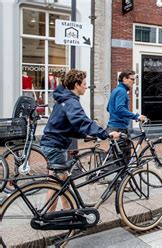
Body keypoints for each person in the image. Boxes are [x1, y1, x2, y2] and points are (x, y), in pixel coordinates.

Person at [40, 69, 120, 211]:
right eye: (84, 83)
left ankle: (66, 212)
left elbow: (68, 125)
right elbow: (81, 121)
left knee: (60, 181)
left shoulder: (65, 99)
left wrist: (84, 135)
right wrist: (105, 134)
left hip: (54, 143)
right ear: (77, 85)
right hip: (55, 145)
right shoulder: (70, 101)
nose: (86, 86)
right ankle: (47, 215)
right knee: (57, 182)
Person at [107, 70, 146, 165]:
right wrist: (136, 116)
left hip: (113, 126)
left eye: (134, 79)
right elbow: (120, 109)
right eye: (132, 79)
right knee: (124, 159)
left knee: (116, 158)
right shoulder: (122, 91)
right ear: (124, 79)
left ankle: (116, 178)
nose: (133, 82)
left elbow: (108, 108)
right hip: (120, 128)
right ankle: (121, 179)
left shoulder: (116, 90)